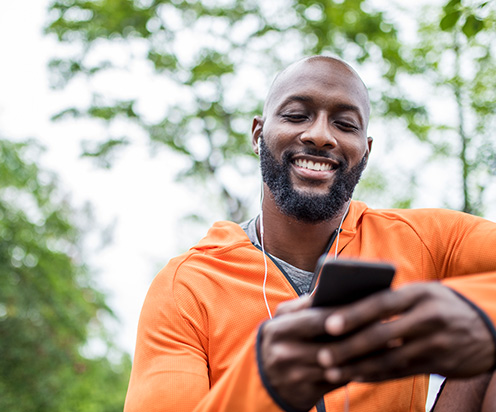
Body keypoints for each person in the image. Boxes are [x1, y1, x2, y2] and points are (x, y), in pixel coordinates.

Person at [124, 55, 496, 412]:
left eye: (345, 125)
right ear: (258, 134)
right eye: (297, 115)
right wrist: (263, 388)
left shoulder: (425, 240)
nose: (319, 135)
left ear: (365, 151)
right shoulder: (187, 287)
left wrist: (479, 311)